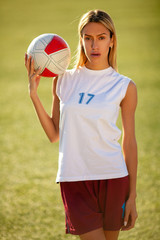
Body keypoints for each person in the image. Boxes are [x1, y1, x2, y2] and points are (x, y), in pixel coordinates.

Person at [25, 9, 138, 240]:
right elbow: (54, 135)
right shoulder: (63, 79)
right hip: (74, 179)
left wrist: (132, 195)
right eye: (87, 38)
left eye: (101, 37)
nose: (94, 45)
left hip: (113, 177)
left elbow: (129, 142)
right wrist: (34, 95)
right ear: (80, 40)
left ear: (111, 40)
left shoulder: (124, 86)